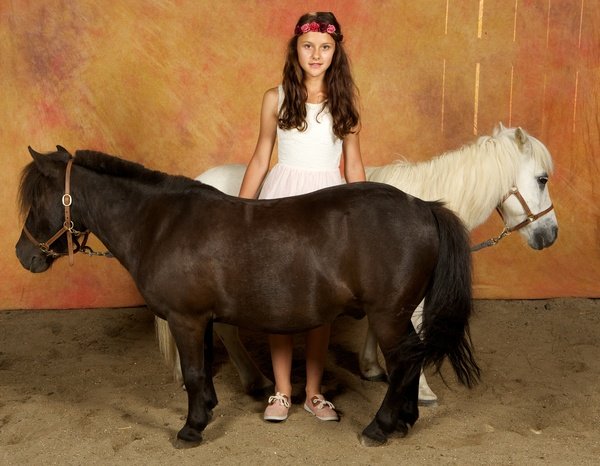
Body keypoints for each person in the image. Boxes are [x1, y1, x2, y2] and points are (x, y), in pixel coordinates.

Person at [238, 12, 365, 422]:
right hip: (282, 201)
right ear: (295, 49)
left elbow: (354, 166)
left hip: (327, 205)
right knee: (280, 295)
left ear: (335, 53)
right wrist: (240, 210)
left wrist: (363, 216)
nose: (316, 54)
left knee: (320, 300)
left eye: (325, 48)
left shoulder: (345, 102)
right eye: (308, 46)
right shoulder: (274, 98)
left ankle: (313, 392)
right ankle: (281, 390)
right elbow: (261, 157)